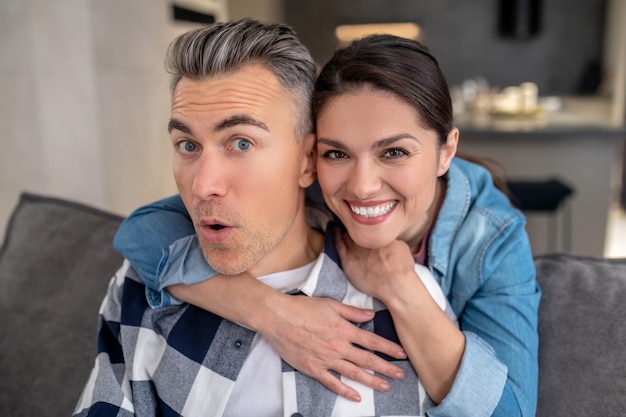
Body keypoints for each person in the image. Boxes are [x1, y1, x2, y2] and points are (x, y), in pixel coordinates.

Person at [112, 27, 541, 417]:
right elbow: (140, 232)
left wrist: (400, 285)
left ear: (446, 151)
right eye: (337, 153)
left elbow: (511, 411)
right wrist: (275, 313)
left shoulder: (492, 238)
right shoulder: (307, 184)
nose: (363, 186)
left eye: (394, 152)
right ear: (312, 157)